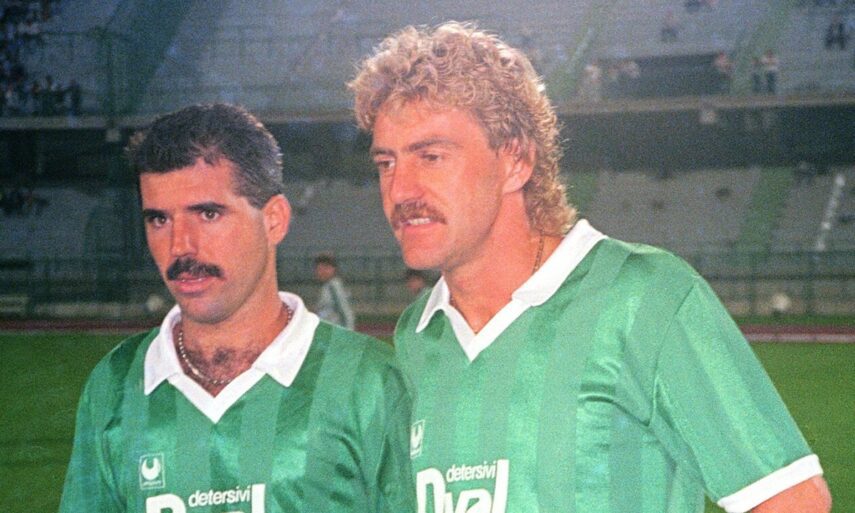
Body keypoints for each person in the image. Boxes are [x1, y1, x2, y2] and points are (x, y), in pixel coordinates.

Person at [350, 22, 832, 513]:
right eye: (386, 163)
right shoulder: (416, 335)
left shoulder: (645, 297)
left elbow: (792, 501)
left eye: (431, 156)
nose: (400, 189)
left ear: (515, 161)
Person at [59, 104, 415, 513]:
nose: (180, 246)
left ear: (274, 220)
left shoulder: (370, 380)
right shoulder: (115, 383)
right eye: (159, 220)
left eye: (208, 214)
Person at [313, 252, 356, 330]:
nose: (322, 272)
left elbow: (345, 311)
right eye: (319, 269)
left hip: (336, 332)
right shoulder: (327, 287)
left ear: (333, 269)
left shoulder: (334, 287)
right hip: (328, 331)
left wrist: (349, 333)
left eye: (325, 268)